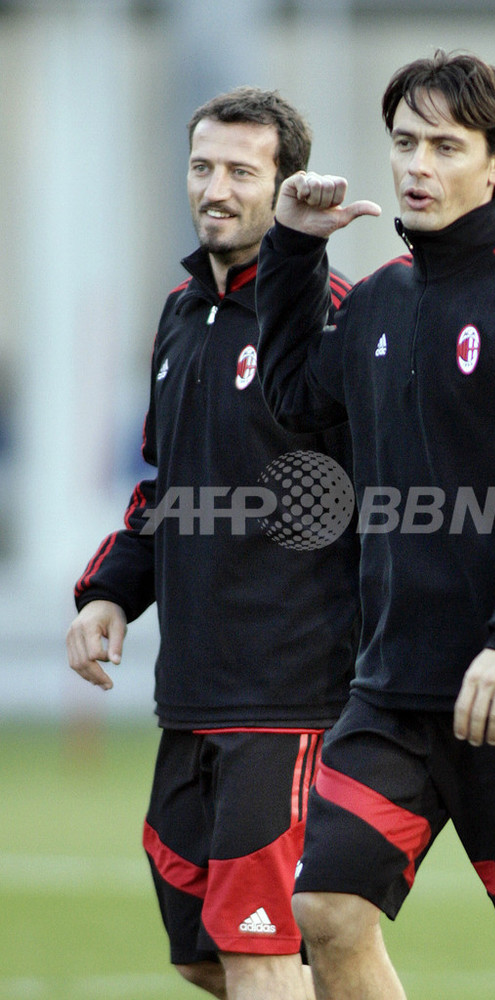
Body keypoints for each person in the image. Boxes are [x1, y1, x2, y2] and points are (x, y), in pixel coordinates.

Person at [255, 50, 495, 1000]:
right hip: (394, 685)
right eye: (403, 143)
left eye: (444, 145)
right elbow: (297, 401)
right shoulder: (382, 295)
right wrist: (295, 250)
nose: (416, 165)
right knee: (325, 910)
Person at [66, 87, 360, 1000]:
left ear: (285, 187)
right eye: (203, 167)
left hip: (289, 692)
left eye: (242, 171)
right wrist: (109, 592)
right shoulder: (180, 315)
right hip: (190, 690)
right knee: (203, 954)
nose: (217, 189)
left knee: (261, 951)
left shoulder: (333, 318)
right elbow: (167, 488)